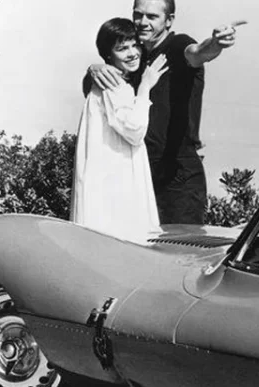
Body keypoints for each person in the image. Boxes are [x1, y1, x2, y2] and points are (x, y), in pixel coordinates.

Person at [87, 0, 246, 225]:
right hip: (139, 173)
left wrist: (217, 43)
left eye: (152, 17)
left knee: (179, 246)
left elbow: (199, 52)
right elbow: (99, 92)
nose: (143, 22)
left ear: (169, 21)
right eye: (138, 15)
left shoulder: (178, 45)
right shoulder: (134, 57)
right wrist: (94, 69)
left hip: (178, 176)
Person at [71, 18, 169, 243]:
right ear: (108, 55)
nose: (132, 53)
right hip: (116, 185)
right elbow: (134, 129)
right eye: (122, 48)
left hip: (105, 182)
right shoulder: (114, 83)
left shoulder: (104, 81)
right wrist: (145, 86)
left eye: (135, 45)